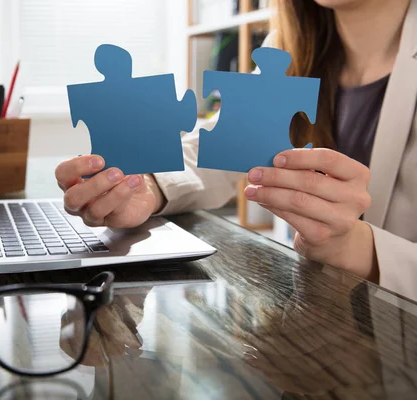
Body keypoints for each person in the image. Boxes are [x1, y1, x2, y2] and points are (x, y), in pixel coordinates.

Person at [55, 0, 417, 299]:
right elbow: (220, 148)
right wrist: (143, 187)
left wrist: (363, 250)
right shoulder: (286, 49)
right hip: (312, 332)